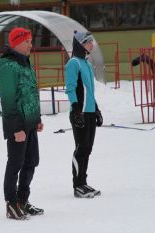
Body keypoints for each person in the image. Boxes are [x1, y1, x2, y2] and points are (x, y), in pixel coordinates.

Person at [0, 27, 44, 220]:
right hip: (17, 126)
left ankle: (22, 201)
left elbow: (31, 93)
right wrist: (16, 128)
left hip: (30, 123)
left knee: (31, 161)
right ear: (16, 42)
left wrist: (37, 118)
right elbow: (8, 100)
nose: (30, 45)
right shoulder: (9, 65)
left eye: (31, 41)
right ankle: (11, 203)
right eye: (27, 41)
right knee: (15, 163)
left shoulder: (25, 63)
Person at [65, 30, 103, 198]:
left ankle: (84, 182)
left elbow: (90, 90)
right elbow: (71, 88)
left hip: (89, 112)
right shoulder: (73, 63)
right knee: (81, 149)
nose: (92, 45)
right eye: (89, 42)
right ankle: (77, 185)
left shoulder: (86, 63)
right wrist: (75, 110)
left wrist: (96, 109)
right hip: (79, 113)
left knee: (88, 149)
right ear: (81, 44)